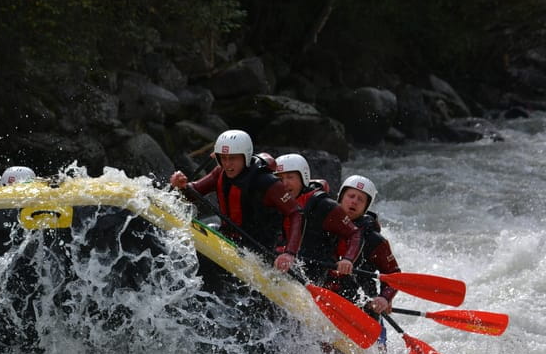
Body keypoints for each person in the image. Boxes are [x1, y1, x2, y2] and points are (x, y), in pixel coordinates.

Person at [169, 130, 302, 272]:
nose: (227, 164)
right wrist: (180, 185)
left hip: (256, 253)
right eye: (223, 158)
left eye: (232, 158)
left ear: (246, 156)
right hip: (227, 239)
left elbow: (296, 213)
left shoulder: (266, 182)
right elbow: (193, 192)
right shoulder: (219, 173)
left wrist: (289, 253)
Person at [272, 153, 361, 284]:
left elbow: (355, 233)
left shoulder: (323, 205)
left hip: (313, 275)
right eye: (280, 178)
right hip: (284, 268)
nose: (284, 183)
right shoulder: (277, 201)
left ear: (303, 178)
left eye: (290, 177)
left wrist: (348, 259)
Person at [328, 175, 401, 316]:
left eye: (360, 199)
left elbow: (393, 274)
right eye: (351, 196)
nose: (354, 201)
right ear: (341, 198)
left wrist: (384, 298)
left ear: (366, 207)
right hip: (325, 296)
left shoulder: (374, 239)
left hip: (361, 305)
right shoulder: (326, 226)